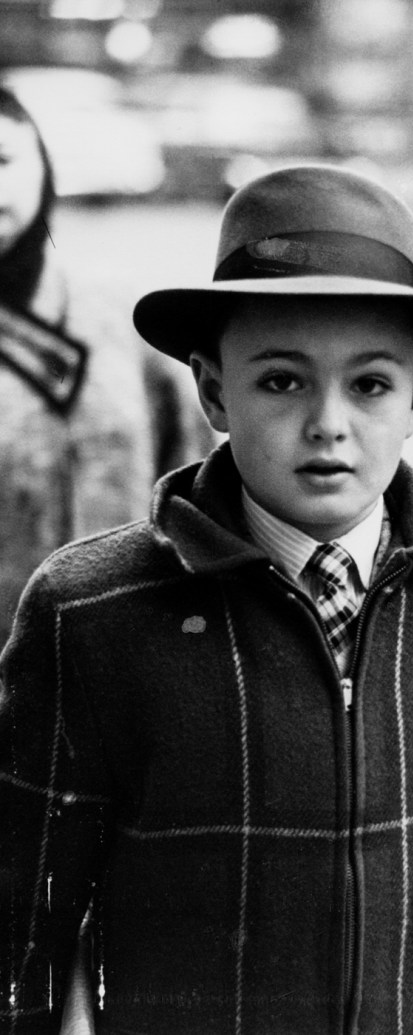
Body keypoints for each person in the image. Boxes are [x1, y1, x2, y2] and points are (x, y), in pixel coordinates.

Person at [0, 164, 413, 1035]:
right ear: (214, 390)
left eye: (369, 385)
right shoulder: (90, 612)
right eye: (281, 381)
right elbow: (22, 925)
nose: (328, 422)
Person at [0, 86, 213, 650]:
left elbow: (199, 489)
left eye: (3, 160)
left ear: (43, 168)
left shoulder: (120, 316)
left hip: (128, 657)